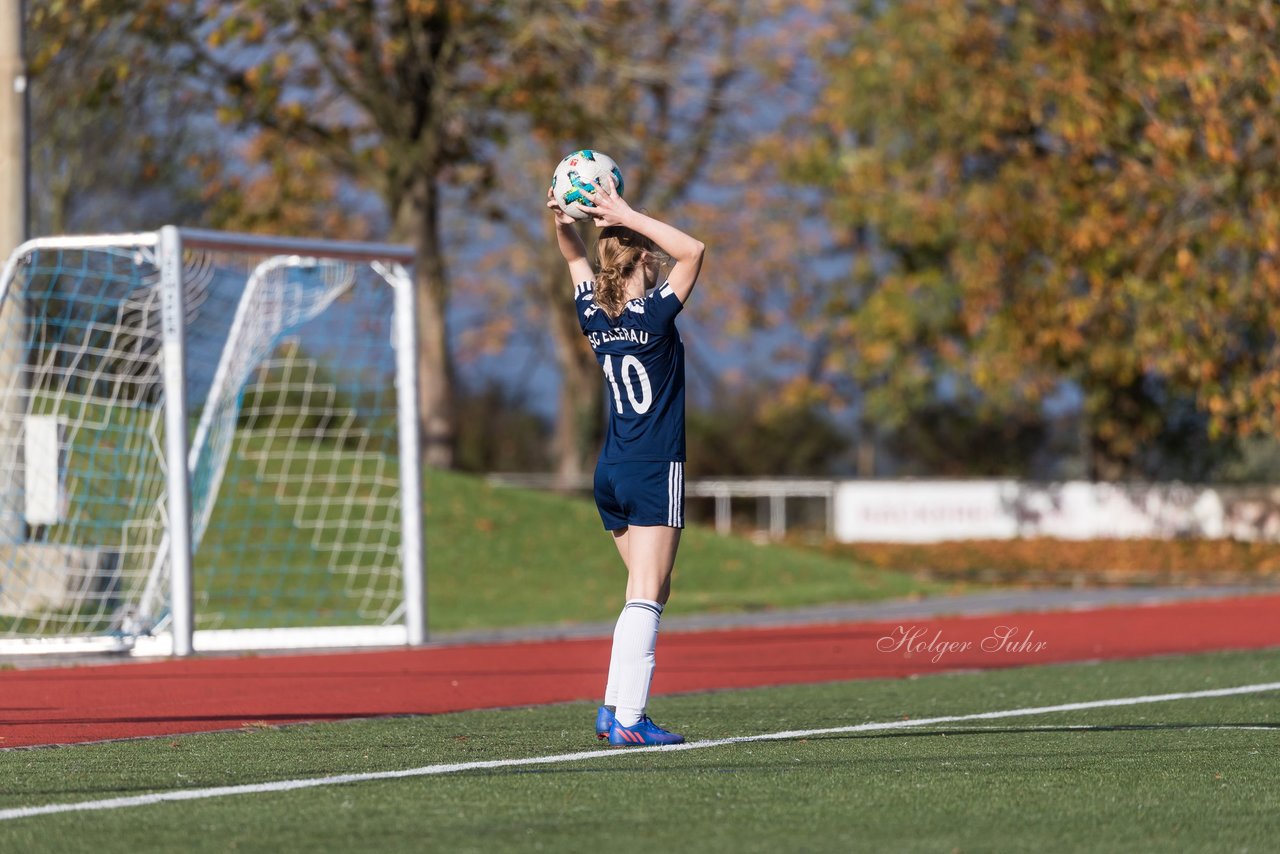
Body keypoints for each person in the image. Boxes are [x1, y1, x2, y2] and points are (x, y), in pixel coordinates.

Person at [547, 176, 705, 746]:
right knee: (646, 593)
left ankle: (613, 708)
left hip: (610, 471)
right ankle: (632, 722)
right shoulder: (658, 314)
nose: (663, 265)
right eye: (651, 258)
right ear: (641, 259)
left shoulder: (593, 312)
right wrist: (626, 213)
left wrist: (564, 220)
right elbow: (696, 250)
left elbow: (572, 259)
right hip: (652, 466)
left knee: (649, 591)